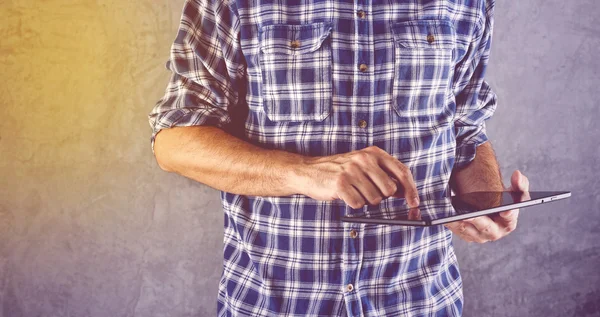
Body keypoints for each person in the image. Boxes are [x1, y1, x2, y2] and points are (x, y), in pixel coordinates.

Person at [147, 0, 529, 315]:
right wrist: (302, 172)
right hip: (274, 304)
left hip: (420, 301)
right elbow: (174, 140)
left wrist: (484, 200)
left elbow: (465, 129)